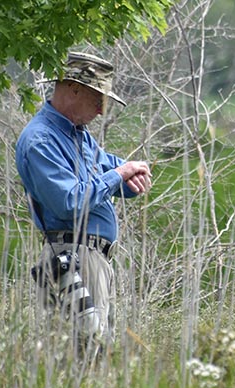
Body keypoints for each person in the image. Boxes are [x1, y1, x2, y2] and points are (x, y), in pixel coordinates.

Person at [15, 52, 152, 355]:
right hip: (73, 256)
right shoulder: (40, 140)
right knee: (85, 357)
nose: (102, 110)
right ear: (74, 89)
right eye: (97, 99)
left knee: (93, 353)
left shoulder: (80, 137)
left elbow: (110, 171)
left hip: (90, 258)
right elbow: (69, 202)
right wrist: (119, 175)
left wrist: (131, 177)